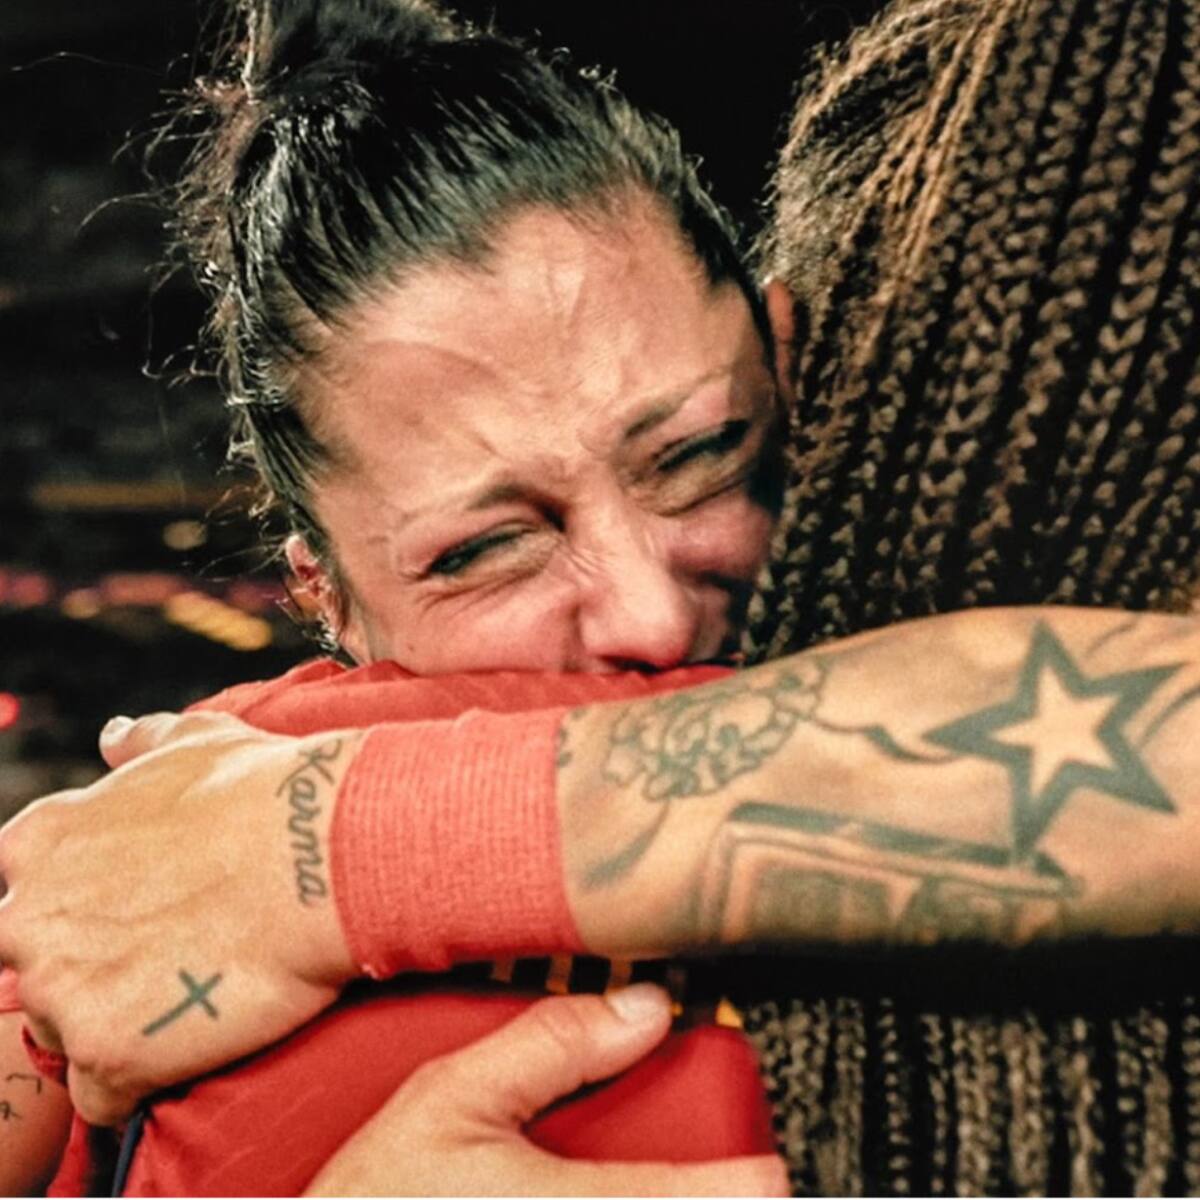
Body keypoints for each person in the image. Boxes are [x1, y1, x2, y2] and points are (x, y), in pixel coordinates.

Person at [4, 0, 1200, 1194]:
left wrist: (348, 849)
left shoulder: (973, 645)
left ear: (786, 367)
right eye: (486, 551)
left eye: (701, 457)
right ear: (330, 596)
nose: (649, 617)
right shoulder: (153, 870)